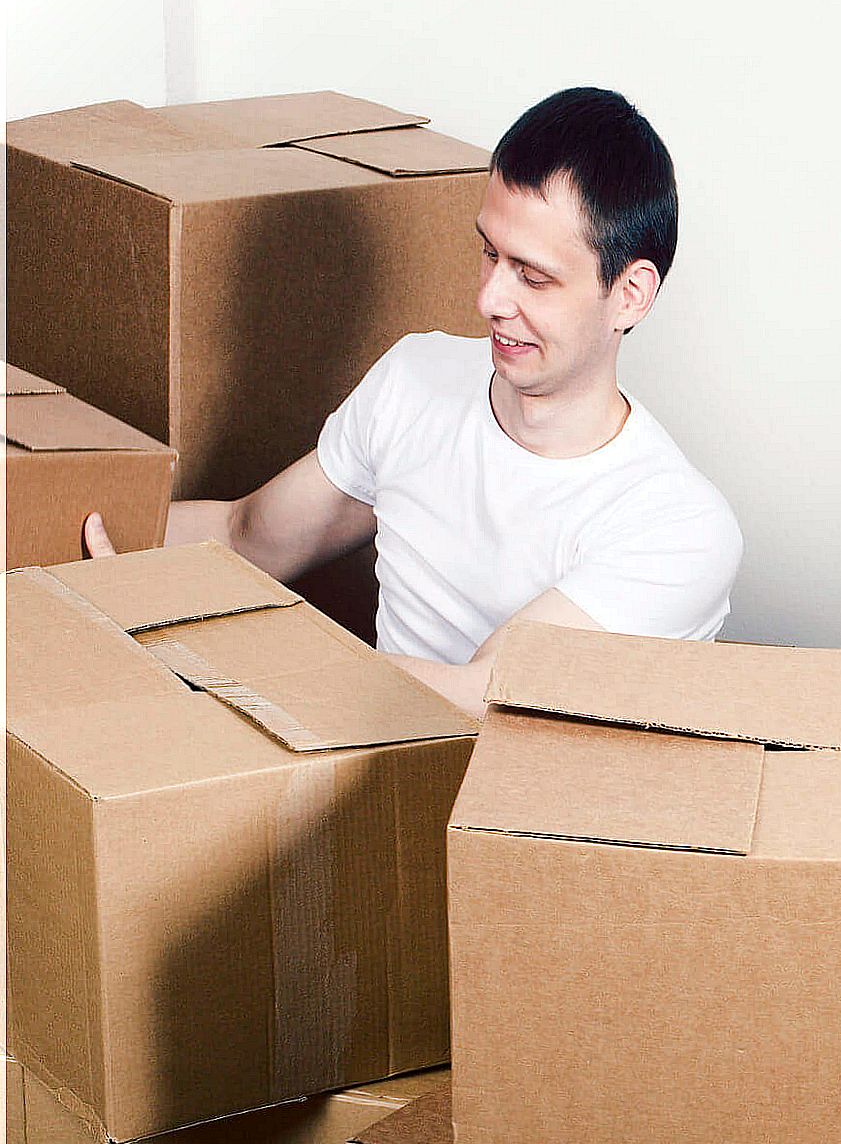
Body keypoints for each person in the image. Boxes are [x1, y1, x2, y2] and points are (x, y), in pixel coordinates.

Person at [84, 87, 742, 715]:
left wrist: (195, 648)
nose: (490, 300)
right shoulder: (415, 379)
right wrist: (77, 545)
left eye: (532, 276)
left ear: (630, 294)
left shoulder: (678, 528)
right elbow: (246, 533)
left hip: (493, 810)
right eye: (489, 253)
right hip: (358, 769)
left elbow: (480, 699)